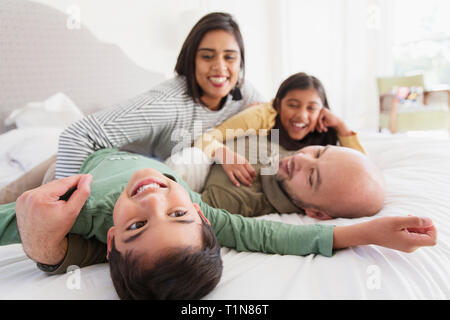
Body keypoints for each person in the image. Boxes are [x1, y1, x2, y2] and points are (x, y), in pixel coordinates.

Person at [0, 148, 437, 300]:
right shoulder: (197, 206)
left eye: (137, 227)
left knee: (13, 194)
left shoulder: (83, 209)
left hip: (67, 166)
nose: (154, 201)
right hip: (129, 150)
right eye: (177, 214)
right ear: (203, 216)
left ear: (112, 239)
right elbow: (270, 234)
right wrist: (365, 230)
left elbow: (20, 223)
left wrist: (36, 227)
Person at [0, 12, 264, 204]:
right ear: (190, 59)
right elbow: (78, 135)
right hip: (95, 154)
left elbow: (273, 115)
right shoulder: (167, 103)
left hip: (142, 164)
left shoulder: (243, 93)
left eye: (230, 57)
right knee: (15, 200)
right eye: (207, 56)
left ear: (240, 62)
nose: (220, 67)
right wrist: (68, 211)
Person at [194, 72, 360, 187]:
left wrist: (341, 126)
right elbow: (206, 138)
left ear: (323, 110)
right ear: (278, 104)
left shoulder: (325, 126)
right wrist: (224, 154)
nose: (302, 116)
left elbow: (360, 168)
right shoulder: (260, 116)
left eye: (311, 108)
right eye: (293, 105)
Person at [199, 141, 385, 220]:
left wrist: (216, 150)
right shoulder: (288, 156)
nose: (301, 159)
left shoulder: (232, 198)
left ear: (317, 214)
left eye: (312, 176)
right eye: (319, 152)